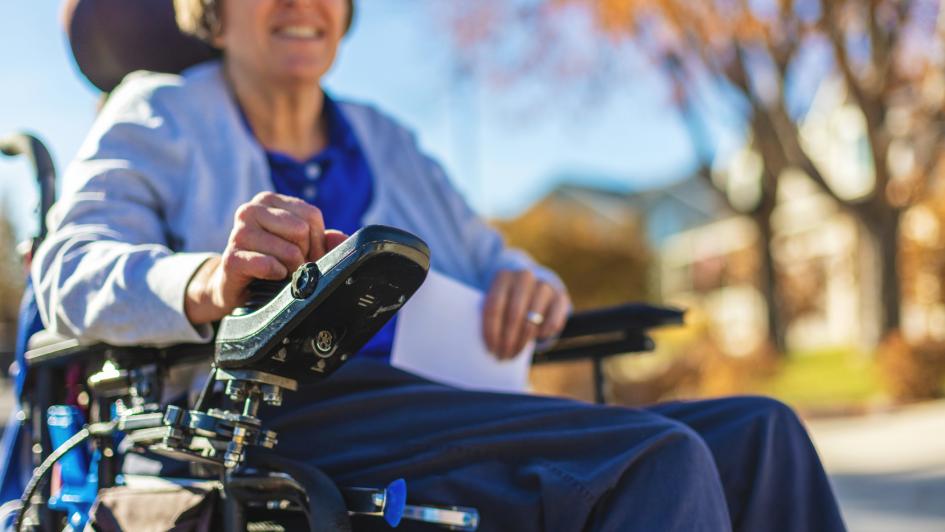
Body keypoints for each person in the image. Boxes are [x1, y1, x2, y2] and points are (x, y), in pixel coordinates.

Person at [32, 0, 846, 530]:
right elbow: (69, 268)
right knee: (651, 460)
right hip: (274, 411)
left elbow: (494, 260)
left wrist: (532, 282)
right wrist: (205, 281)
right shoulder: (162, 110)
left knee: (759, 432)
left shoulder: (386, 139)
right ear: (210, 11)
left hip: (435, 404)